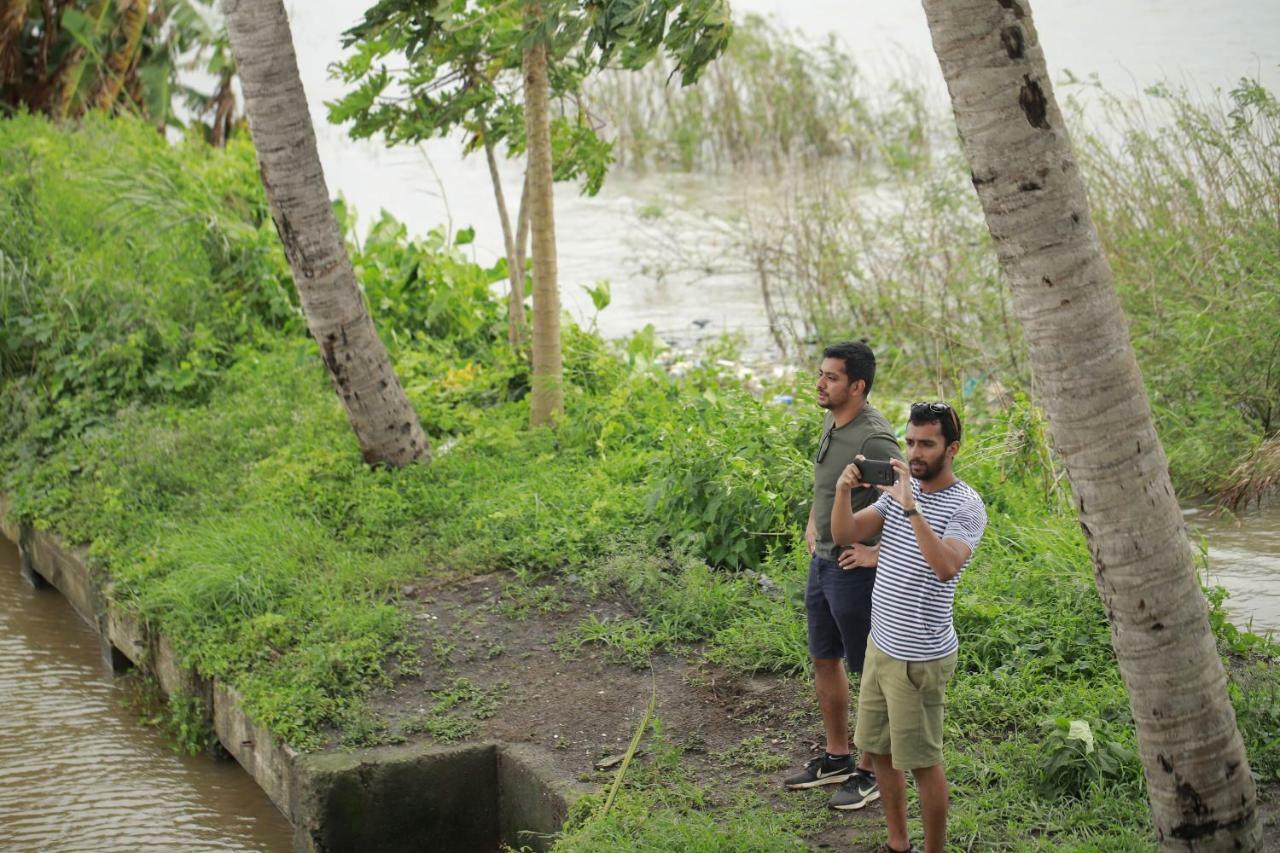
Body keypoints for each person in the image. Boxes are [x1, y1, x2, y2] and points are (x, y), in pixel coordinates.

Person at [830, 401, 987, 853]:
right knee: (879, 751)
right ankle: (899, 844)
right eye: (911, 441)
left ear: (952, 448)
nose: (914, 453)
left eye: (927, 444)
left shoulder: (966, 505)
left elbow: (945, 566)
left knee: (922, 762)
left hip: (920, 657)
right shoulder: (899, 490)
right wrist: (843, 492)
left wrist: (913, 510)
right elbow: (846, 534)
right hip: (881, 645)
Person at [783, 342, 903, 812]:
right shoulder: (833, 420)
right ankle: (837, 756)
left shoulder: (876, 439)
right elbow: (830, 486)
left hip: (855, 573)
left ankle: (871, 772)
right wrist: (816, 521)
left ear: (857, 386)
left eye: (831, 378)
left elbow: (911, 505)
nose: (820, 383)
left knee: (870, 674)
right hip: (824, 564)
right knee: (823, 657)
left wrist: (877, 552)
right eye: (821, 374)